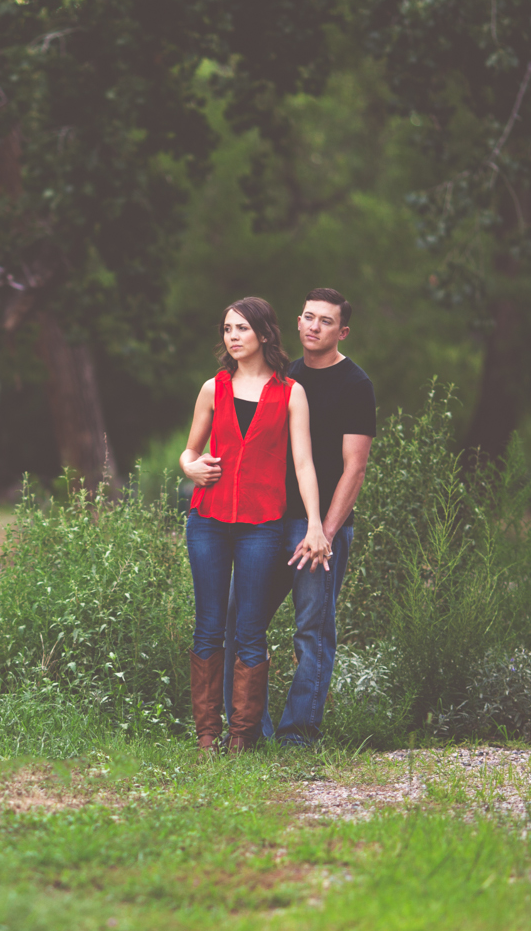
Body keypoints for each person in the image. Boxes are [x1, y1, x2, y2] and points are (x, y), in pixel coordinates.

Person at [180, 297, 330, 753]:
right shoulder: (213, 388)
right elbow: (189, 451)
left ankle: (242, 737)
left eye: (242, 328)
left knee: (249, 628)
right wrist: (190, 468)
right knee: (207, 626)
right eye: (227, 329)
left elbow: (303, 464)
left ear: (264, 334)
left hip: (261, 525)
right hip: (207, 520)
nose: (233, 337)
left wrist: (316, 526)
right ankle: (208, 736)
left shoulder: (291, 393)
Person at [236, 288, 376, 746]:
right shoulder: (284, 376)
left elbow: (354, 467)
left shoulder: (355, 384)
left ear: (343, 331)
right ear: (297, 322)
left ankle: (298, 736)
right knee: (243, 620)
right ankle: (249, 730)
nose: (315, 327)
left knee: (311, 632)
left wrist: (326, 532)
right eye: (309, 318)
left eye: (326, 321)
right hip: (270, 523)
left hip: (319, 530)